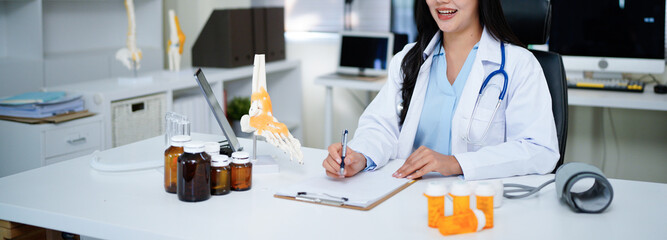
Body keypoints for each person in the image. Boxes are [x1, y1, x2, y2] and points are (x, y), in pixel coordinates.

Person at [321, 0, 559, 180]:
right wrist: (360, 157)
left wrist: (457, 163)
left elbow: (539, 150)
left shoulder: (519, 64)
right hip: (409, 196)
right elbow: (381, 127)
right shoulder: (409, 59)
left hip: (480, 203)